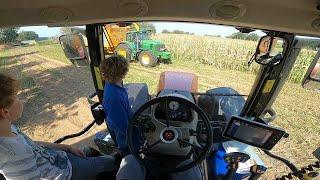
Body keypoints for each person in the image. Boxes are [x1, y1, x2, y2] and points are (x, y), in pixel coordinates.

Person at [0, 73, 116, 180]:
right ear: (5, 112)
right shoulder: (16, 154)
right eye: (17, 97)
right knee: (109, 162)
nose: (21, 101)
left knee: (88, 153)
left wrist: (67, 148)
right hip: (66, 173)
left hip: (61, 159)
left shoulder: (9, 130)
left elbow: (33, 144)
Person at [100, 55, 132, 156]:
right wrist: (132, 136)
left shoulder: (113, 84)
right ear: (122, 72)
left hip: (123, 122)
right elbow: (122, 126)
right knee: (127, 150)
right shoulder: (114, 97)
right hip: (124, 135)